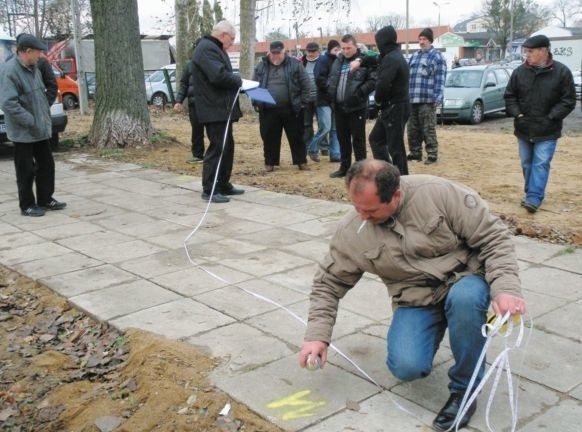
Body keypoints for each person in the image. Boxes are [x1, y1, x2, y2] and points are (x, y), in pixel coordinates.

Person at [299, 159, 526, 432]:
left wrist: (506, 290)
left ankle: (465, 391)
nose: (362, 216)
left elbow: (494, 239)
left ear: (395, 195)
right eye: (356, 207)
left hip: (464, 280)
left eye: (370, 210)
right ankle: (442, 325)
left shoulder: (440, 194)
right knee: (406, 367)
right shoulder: (353, 230)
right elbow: (329, 283)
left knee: (465, 301)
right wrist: (316, 335)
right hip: (416, 299)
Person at [504, 34, 576, 214]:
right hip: (524, 127)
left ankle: (534, 197)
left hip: (548, 129)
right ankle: (530, 194)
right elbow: (510, 95)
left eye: (530, 51)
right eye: (526, 51)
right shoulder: (519, 72)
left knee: (541, 163)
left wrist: (552, 116)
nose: (526, 55)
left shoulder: (561, 72)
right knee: (527, 163)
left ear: (544, 51)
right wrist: (518, 114)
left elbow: (568, 100)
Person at [0, 33, 66, 217]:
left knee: (46, 165)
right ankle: (27, 205)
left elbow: (39, 95)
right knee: (25, 170)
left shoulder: (33, 68)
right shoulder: (10, 71)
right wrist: (30, 120)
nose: (40, 56)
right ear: (27, 51)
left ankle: (45, 199)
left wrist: (43, 117)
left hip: (40, 129)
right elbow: (8, 103)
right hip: (23, 132)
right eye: (38, 52)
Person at [192, 21, 244, 204]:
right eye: (232, 38)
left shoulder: (215, 48)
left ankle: (222, 183)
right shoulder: (207, 49)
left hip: (221, 108)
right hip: (213, 108)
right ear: (223, 34)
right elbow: (218, 76)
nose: (233, 42)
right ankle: (210, 188)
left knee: (227, 147)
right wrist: (239, 81)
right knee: (217, 148)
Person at [253, 40, 311, 173]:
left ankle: (301, 161)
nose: (275, 56)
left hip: (292, 108)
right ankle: (270, 163)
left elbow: (306, 85)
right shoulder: (261, 66)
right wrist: (256, 102)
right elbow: (254, 85)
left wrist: (303, 103)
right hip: (268, 110)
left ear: (283, 52)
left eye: (278, 53)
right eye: (273, 53)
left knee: (297, 136)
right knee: (269, 137)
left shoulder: (295, 64)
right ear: (269, 52)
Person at [327, 34, 376, 178]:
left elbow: (373, 80)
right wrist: (331, 93)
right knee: (343, 139)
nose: (346, 51)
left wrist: (360, 93)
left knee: (358, 140)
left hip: (357, 107)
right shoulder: (338, 61)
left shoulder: (364, 61)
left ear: (355, 46)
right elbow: (332, 79)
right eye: (343, 48)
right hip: (339, 106)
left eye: (349, 48)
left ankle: (361, 170)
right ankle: (344, 167)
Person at [368, 25, 410, 175]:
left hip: (394, 107)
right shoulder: (393, 56)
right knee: (376, 139)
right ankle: (388, 173)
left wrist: (378, 102)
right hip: (396, 106)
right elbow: (374, 60)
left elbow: (383, 84)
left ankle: (402, 180)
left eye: (378, 42)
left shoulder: (391, 59)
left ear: (382, 42)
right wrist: (361, 60)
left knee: (396, 147)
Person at [407, 27, 447, 165]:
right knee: (412, 128)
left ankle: (432, 154)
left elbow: (440, 79)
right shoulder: (414, 56)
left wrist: (438, 97)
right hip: (412, 99)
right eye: (420, 39)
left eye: (424, 39)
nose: (421, 42)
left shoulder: (437, 57)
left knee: (428, 128)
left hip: (428, 100)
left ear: (430, 40)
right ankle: (415, 153)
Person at [307, 39, 341, 163]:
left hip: (336, 100)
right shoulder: (323, 60)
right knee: (326, 127)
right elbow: (319, 78)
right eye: (336, 50)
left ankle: (335, 153)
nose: (338, 52)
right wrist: (330, 88)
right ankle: (312, 148)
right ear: (330, 49)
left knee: (335, 129)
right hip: (324, 100)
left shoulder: (340, 60)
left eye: (339, 49)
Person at [174, 43, 205, 164]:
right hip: (194, 103)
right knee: (196, 130)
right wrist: (178, 101)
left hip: (208, 103)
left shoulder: (210, 64)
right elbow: (184, 84)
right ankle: (198, 155)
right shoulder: (189, 65)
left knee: (213, 131)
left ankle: (215, 155)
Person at [301, 41, 322, 161]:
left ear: (318, 51)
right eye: (309, 51)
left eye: (313, 51)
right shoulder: (301, 62)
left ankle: (323, 147)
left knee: (323, 125)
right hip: (306, 98)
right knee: (307, 124)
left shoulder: (323, 61)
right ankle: (310, 148)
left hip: (320, 98)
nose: (311, 53)